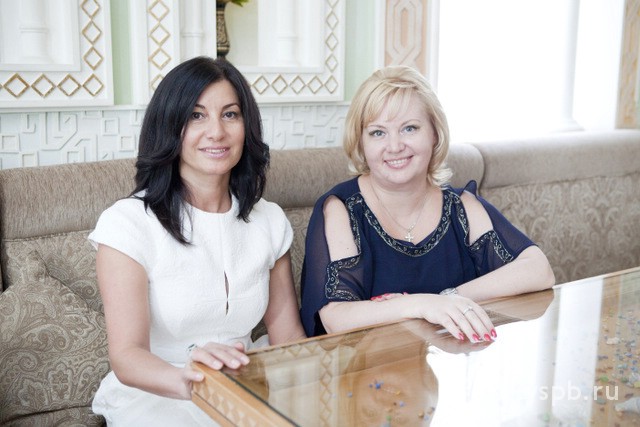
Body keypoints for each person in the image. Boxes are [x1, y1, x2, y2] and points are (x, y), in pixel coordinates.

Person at [89, 56, 306, 425]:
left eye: (230, 114)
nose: (216, 132)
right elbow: (127, 355)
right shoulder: (127, 223)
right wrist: (189, 382)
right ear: (169, 126)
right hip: (160, 391)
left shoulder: (269, 220)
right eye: (196, 116)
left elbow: (288, 337)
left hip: (247, 382)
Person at [299, 65, 555, 342]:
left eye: (409, 128)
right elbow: (336, 317)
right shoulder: (341, 209)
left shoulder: (461, 206)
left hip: (452, 360)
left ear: (435, 133)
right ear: (360, 142)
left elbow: (538, 270)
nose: (395, 146)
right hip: (369, 365)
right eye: (378, 133)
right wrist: (421, 305)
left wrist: (449, 298)